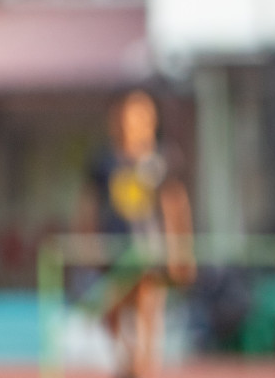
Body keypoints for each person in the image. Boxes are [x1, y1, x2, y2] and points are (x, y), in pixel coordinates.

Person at [77, 91, 195, 378]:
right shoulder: (104, 161)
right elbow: (88, 204)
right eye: (129, 116)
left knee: (148, 304)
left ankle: (144, 363)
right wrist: (86, 242)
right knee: (113, 307)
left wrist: (181, 249)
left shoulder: (163, 159)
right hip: (114, 247)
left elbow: (175, 203)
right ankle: (124, 356)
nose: (134, 123)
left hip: (149, 249)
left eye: (142, 116)